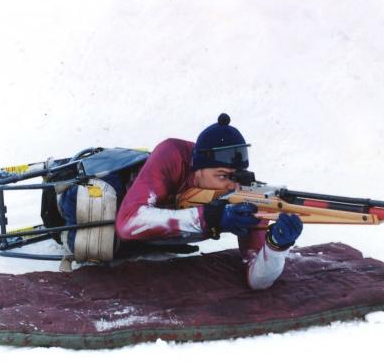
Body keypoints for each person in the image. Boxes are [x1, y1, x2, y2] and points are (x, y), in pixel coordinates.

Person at [116, 113, 303, 290]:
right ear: (197, 171)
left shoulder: (249, 197)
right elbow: (127, 222)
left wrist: (276, 247)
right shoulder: (172, 155)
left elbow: (257, 280)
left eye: (238, 177)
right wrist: (208, 218)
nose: (232, 186)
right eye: (222, 176)